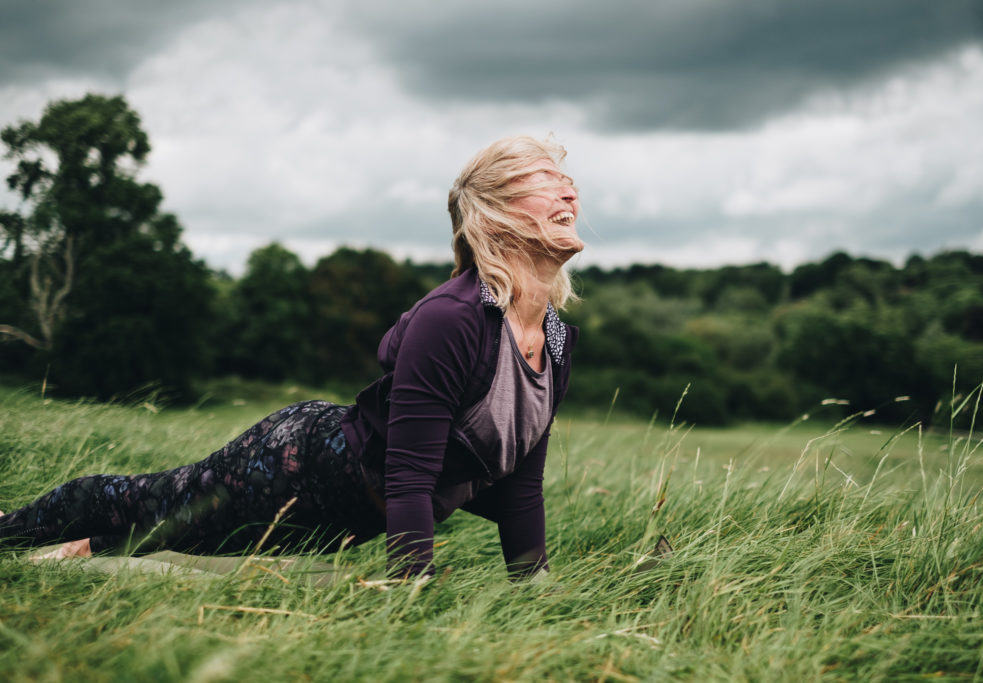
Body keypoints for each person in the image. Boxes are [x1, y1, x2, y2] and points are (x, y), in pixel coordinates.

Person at [0, 135, 583, 580]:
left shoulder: (554, 339)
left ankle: (82, 553)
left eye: (569, 180)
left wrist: (535, 594)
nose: (569, 191)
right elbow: (409, 477)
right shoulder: (453, 319)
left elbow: (518, 488)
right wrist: (413, 591)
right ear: (496, 212)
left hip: (345, 519)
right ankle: (10, 532)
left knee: (183, 544)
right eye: (547, 181)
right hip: (293, 467)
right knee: (148, 506)